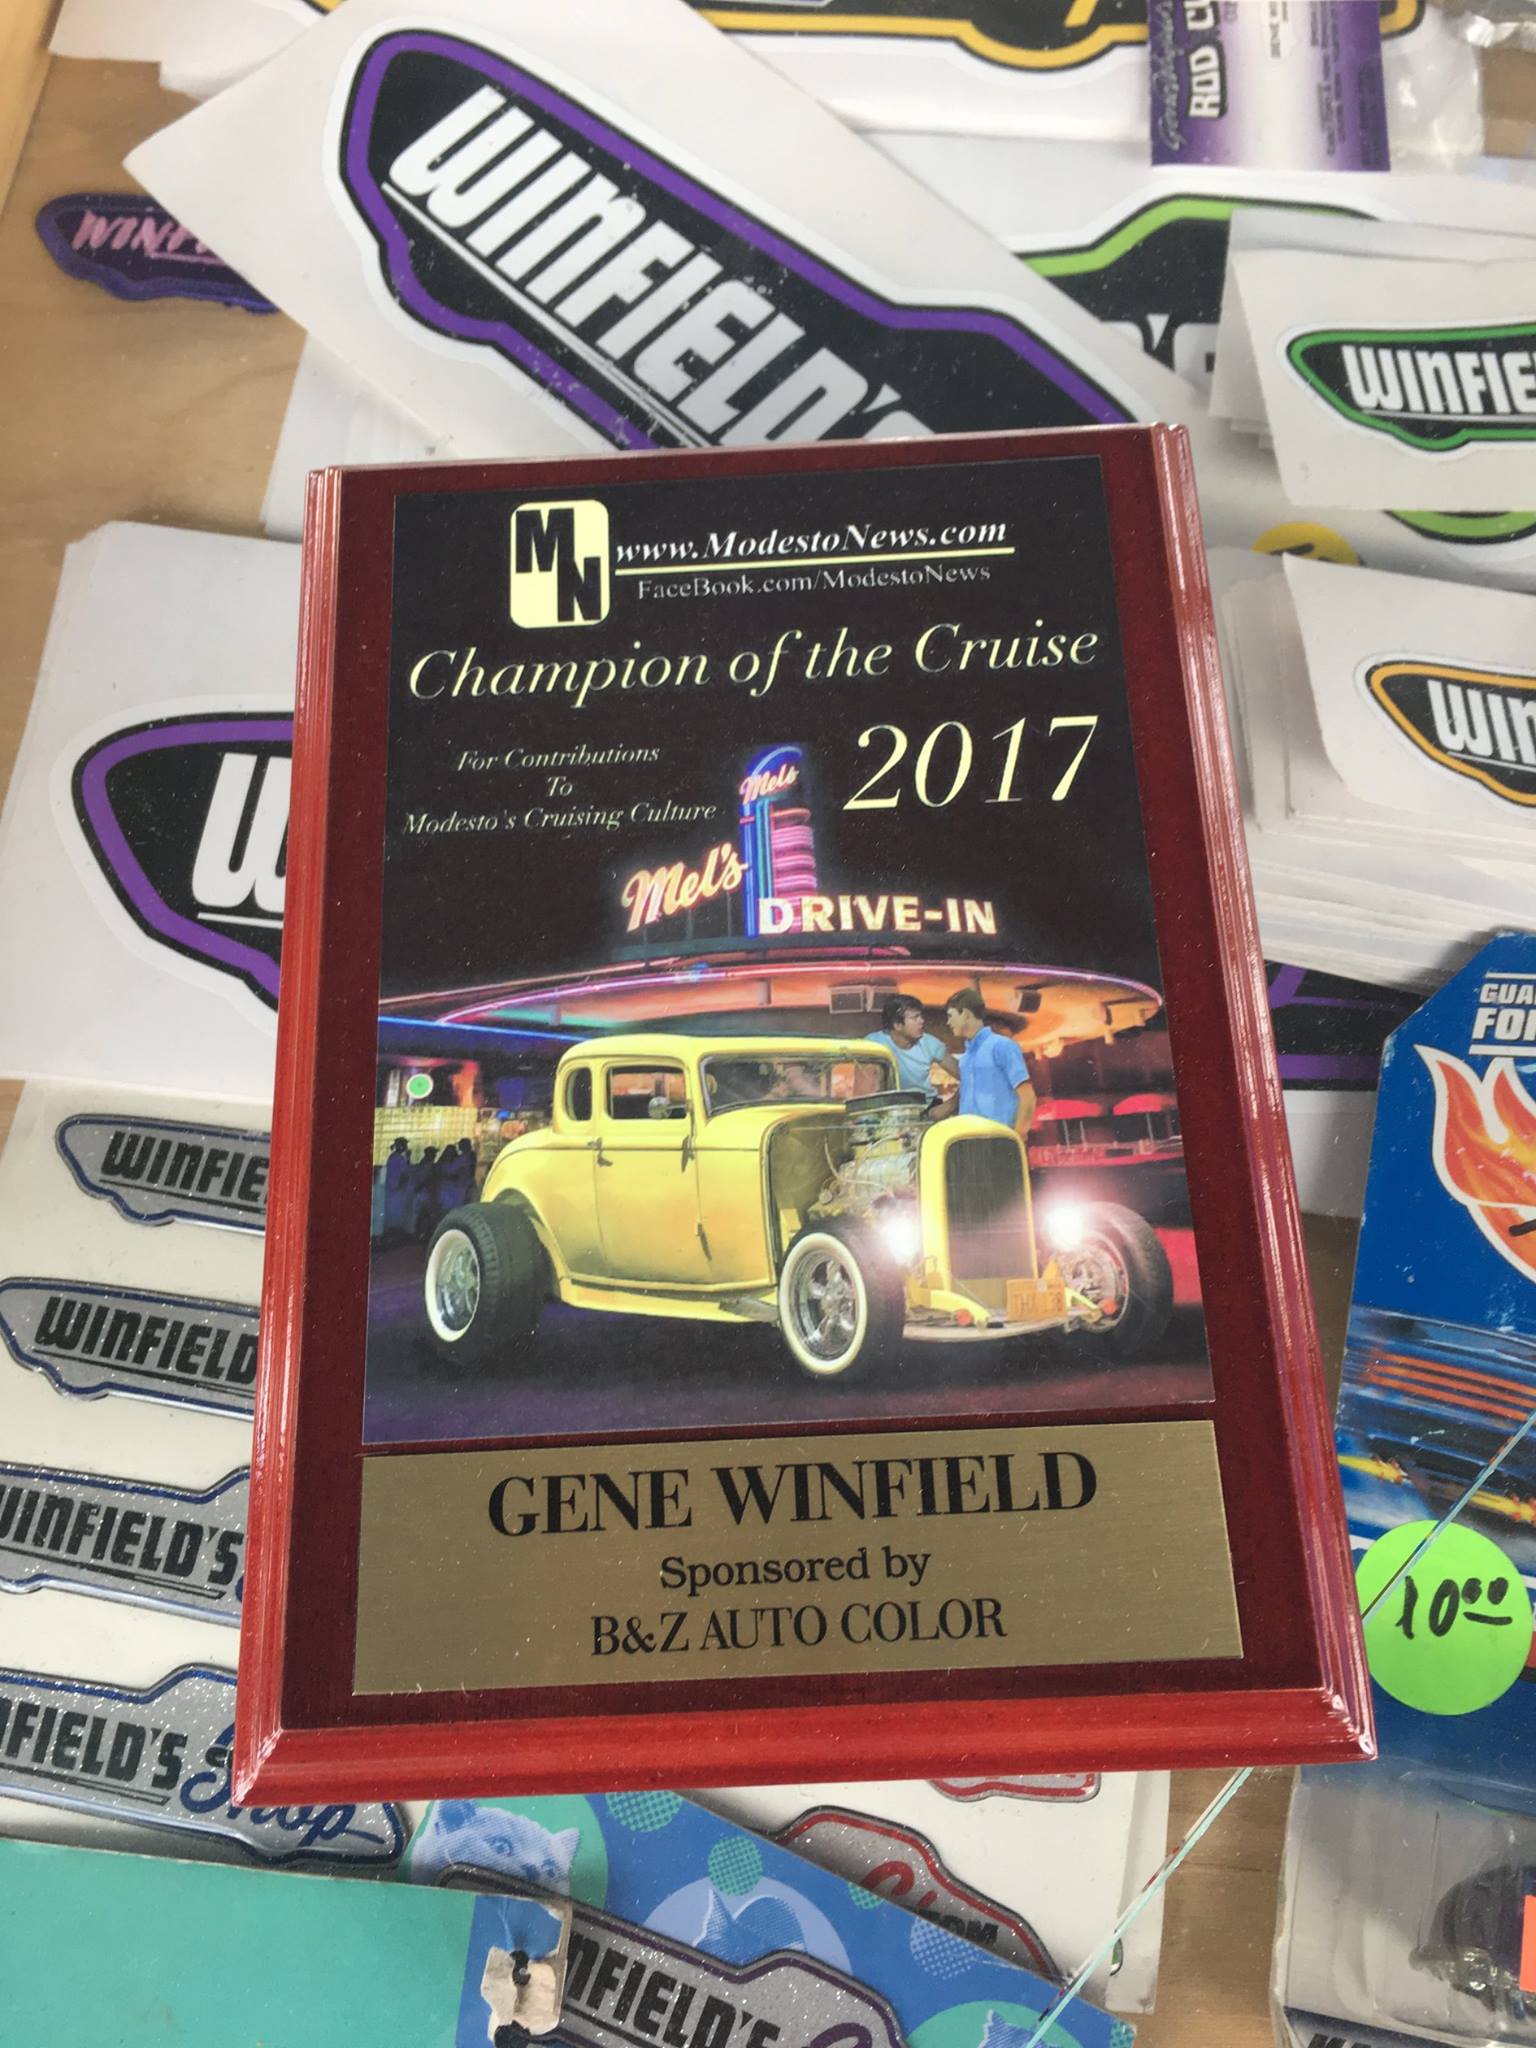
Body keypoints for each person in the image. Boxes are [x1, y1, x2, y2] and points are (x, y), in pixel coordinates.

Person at [944, 988, 1036, 1133]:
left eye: (951, 1016)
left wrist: (1019, 1135)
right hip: (970, 1139)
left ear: (966, 1014)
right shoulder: (965, 1059)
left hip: (1001, 1138)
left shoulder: (1002, 1046)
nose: (948, 1022)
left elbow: (1027, 1096)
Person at [868, 994, 958, 1117]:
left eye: (921, 1016)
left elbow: (966, 1074)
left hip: (926, 1109)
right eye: (915, 1018)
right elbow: (863, 1090)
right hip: (887, 1110)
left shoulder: (929, 1043)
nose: (921, 1021)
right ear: (897, 1025)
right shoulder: (874, 1044)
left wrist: (951, 1104)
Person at [382, 1136, 413, 1242]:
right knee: (396, 1213)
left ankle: (391, 1236)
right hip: (397, 1189)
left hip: (391, 1188)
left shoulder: (392, 1157)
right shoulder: (399, 1158)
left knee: (391, 1212)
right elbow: (405, 1174)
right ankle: (393, 1237)